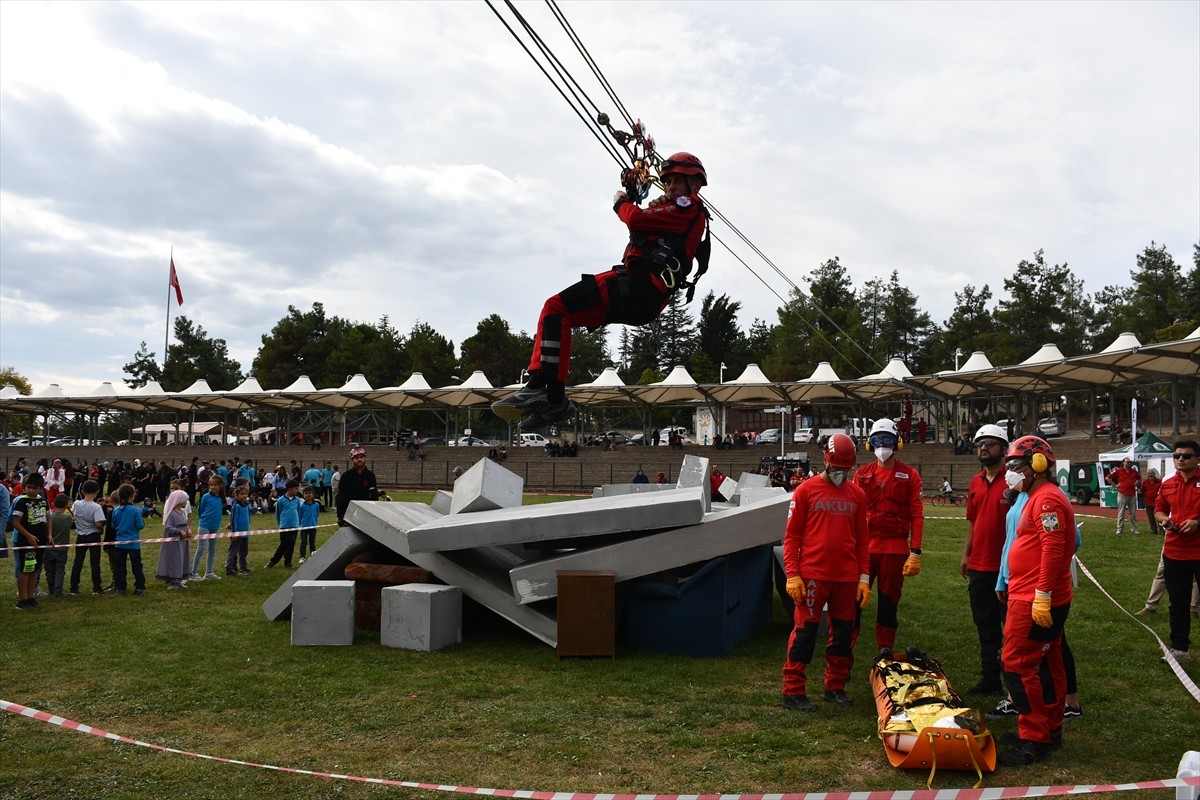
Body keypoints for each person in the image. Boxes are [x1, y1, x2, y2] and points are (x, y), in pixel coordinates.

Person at [492, 153, 711, 431]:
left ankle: (540, 386)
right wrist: (654, 204)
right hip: (644, 296)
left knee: (555, 307)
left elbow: (636, 219)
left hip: (638, 286)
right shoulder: (675, 211)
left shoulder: (688, 207)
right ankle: (555, 398)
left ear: (696, 185)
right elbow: (647, 226)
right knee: (559, 315)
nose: (670, 187)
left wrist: (621, 202)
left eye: (678, 181)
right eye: (668, 182)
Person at [996, 435, 1074, 767]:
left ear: (1038, 465)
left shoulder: (1046, 501)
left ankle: (1034, 736)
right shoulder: (1035, 496)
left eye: (1016, 465)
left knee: (1017, 663)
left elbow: (1054, 549)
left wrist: (1041, 596)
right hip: (1033, 595)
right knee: (1047, 662)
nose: (1010, 471)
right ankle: (1049, 728)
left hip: (1034, 599)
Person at [780, 433, 870, 711]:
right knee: (805, 633)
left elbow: (863, 540)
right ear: (826, 461)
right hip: (812, 576)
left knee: (843, 635)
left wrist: (864, 578)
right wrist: (792, 573)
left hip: (846, 577)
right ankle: (793, 690)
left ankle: (836, 687)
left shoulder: (857, 494)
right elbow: (792, 536)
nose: (841, 473)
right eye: (837, 468)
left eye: (846, 469)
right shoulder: (806, 491)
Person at [852, 418, 924, 651]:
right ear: (870, 444)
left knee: (888, 604)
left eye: (887, 440)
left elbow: (917, 514)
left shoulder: (910, 475)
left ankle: (885, 650)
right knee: (852, 603)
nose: (882, 445)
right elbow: (852, 515)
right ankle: (845, 649)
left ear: (897, 443)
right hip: (863, 551)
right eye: (877, 440)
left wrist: (916, 552)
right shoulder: (861, 474)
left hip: (894, 552)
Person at [960, 424, 1010, 695]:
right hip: (979, 567)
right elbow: (972, 521)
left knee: (1011, 629)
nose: (983, 447)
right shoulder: (975, 482)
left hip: (1007, 569)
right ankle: (990, 678)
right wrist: (966, 554)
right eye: (980, 443)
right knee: (985, 626)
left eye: (990, 443)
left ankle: (1015, 681)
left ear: (1003, 449)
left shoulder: (1013, 481)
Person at [1154, 439, 1200, 664]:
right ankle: (1180, 649)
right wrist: (1164, 520)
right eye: (1177, 455)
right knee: (1178, 602)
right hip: (1174, 552)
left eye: (1186, 456)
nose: (1180, 459)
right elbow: (1159, 509)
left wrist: (1197, 523)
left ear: (1197, 459)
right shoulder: (1168, 483)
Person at [12, 472, 49, 609]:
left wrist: (49, 534)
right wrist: (28, 535)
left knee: (36, 568)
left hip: (41, 540)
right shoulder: (21, 501)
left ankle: (31, 596)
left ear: (40, 488)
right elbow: (16, 522)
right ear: (24, 487)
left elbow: (48, 518)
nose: (31, 490)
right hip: (26, 541)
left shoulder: (43, 501)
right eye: (29, 487)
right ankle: (22, 599)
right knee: (25, 569)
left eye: (35, 488)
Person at [69, 480, 108, 596]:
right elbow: (98, 524)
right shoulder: (96, 507)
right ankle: (97, 588)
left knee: (78, 561)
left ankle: (74, 588)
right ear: (97, 492)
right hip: (93, 535)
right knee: (95, 563)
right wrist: (101, 530)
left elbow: (73, 516)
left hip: (81, 535)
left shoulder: (76, 503)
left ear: (82, 491)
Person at [110, 482, 147, 596]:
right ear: (132, 495)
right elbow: (140, 525)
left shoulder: (116, 510)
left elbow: (113, 525)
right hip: (133, 543)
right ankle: (140, 587)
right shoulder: (135, 510)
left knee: (120, 566)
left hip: (120, 542)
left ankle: (120, 587)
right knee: (136, 565)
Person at [156, 487, 192, 590]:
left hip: (182, 542)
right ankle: (173, 581)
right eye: (185, 500)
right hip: (173, 542)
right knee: (174, 559)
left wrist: (188, 530)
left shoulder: (183, 512)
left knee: (182, 559)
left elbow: (185, 524)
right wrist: (179, 532)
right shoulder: (171, 514)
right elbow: (168, 527)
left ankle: (179, 579)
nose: (187, 502)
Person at [192, 474, 225, 582]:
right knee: (201, 548)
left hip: (215, 527)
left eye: (215, 485)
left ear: (220, 486)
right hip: (204, 525)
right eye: (211, 485)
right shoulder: (206, 496)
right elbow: (200, 510)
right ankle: (193, 572)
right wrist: (203, 520)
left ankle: (209, 572)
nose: (213, 487)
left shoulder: (220, 498)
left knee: (212, 550)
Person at [335, 447, 378, 527]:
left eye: (361, 457)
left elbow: (374, 496)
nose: (359, 460)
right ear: (352, 460)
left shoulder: (370, 475)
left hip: (365, 513)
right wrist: (340, 516)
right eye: (356, 458)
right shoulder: (346, 476)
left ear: (364, 458)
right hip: (349, 513)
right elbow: (340, 497)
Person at [266, 479, 302, 569]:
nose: (297, 491)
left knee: (291, 545)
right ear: (289, 489)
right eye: (295, 489)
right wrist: (280, 523)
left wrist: (298, 523)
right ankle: (273, 561)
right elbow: (277, 513)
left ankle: (288, 562)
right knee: (283, 545)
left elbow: (298, 511)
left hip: (294, 526)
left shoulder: (297, 500)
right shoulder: (281, 500)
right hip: (284, 526)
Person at [44, 493, 73, 597]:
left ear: (53, 503)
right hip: (62, 548)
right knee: (60, 569)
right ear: (66, 505)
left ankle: (51, 589)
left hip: (48, 548)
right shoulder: (67, 517)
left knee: (49, 570)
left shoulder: (49, 517)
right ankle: (58, 590)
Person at [224, 481, 252, 576]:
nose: (244, 496)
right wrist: (234, 532)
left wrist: (248, 528)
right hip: (237, 533)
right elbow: (234, 520)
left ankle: (243, 567)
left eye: (245, 494)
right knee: (233, 551)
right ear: (236, 495)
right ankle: (229, 568)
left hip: (245, 533)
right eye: (241, 494)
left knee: (244, 552)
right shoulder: (236, 506)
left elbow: (248, 518)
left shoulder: (246, 505)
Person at [1107, 457, 1141, 535]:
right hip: (1122, 494)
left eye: (1130, 462)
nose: (1129, 463)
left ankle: (1134, 529)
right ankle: (1119, 529)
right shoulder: (1118, 470)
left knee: (1132, 513)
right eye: (1127, 462)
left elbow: (1139, 478)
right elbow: (1108, 478)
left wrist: (1135, 484)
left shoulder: (1133, 471)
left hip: (1132, 494)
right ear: (1123, 463)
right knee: (1121, 513)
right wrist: (1115, 485)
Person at [298, 485, 321, 564]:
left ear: (313, 494)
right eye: (306, 493)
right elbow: (300, 516)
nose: (308, 495)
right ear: (303, 495)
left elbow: (317, 514)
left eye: (310, 493)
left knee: (312, 543)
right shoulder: (302, 506)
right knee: (303, 542)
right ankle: (302, 557)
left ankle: (313, 555)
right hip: (304, 527)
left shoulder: (316, 505)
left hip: (313, 527)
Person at [1142, 468, 1163, 536]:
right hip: (1148, 502)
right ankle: (1154, 531)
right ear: (1147, 474)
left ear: (1154, 474)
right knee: (1151, 517)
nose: (1150, 475)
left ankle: (1162, 530)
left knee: (1159, 517)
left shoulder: (1160, 481)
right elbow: (1143, 491)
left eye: (1151, 473)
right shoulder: (1145, 482)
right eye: (1149, 473)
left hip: (1157, 502)